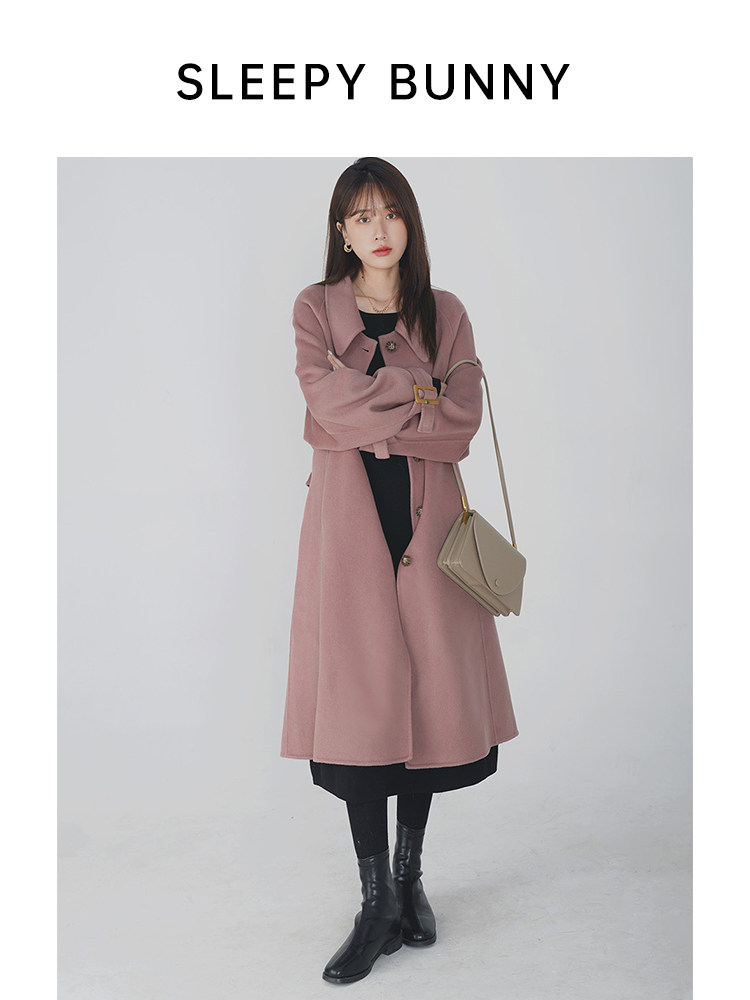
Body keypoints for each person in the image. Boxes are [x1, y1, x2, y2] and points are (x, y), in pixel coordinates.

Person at [280, 157, 519, 985]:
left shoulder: (445, 311)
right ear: (341, 232)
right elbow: (325, 404)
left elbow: (460, 423)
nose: (378, 230)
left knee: (428, 699)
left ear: (409, 223)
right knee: (360, 702)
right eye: (362, 216)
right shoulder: (314, 308)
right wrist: (417, 392)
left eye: (391, 213)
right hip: (349, 531)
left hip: (433, 528)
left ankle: (411, 882)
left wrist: (374, 404)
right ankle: (376, 900)